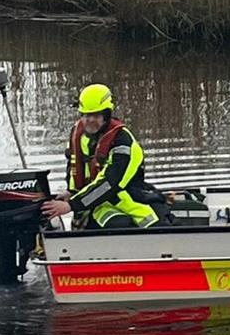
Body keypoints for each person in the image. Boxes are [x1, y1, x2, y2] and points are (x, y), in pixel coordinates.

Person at [41, 84, 167, 229]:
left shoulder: (122, 141)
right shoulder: (79, 135)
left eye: (96, 115)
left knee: (120, 224)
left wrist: (72, 205)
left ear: (106, 116)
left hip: (127, 202)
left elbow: (109, 183)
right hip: (94, 202)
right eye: (86, 115)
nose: (90, 120)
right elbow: (74, 166)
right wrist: (72, 192)